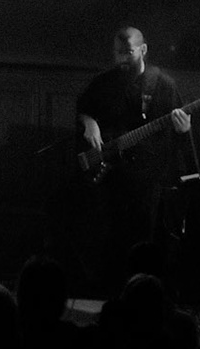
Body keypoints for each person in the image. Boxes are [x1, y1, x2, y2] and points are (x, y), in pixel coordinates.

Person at [75, 27, 192, 295]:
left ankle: (140, 294)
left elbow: (180, 139)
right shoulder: (105, 82)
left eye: (127, 52)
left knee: (143, 239)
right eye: (118, 54)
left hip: (147, 179)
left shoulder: (163, 85)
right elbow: (83, 107)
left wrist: (184, 129)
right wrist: (89, 122)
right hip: (110, 177)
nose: (122, 60)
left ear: (143, 50)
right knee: (107, 237)